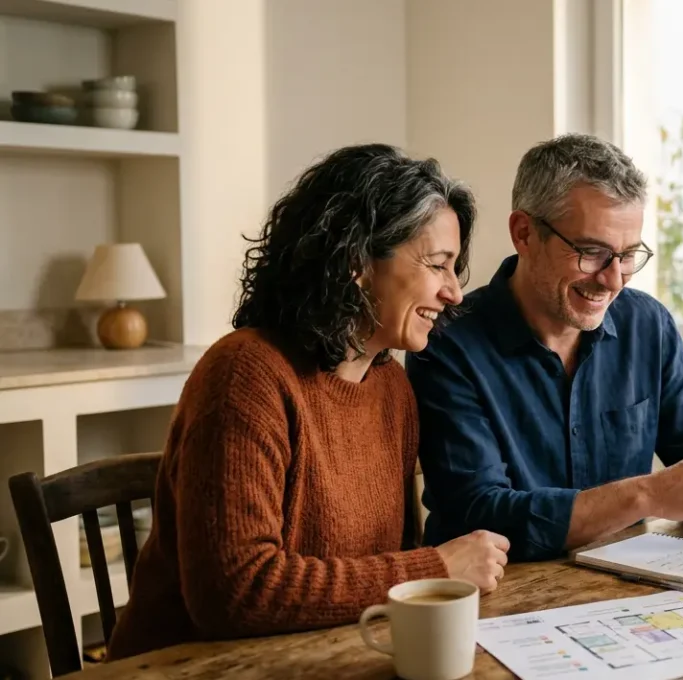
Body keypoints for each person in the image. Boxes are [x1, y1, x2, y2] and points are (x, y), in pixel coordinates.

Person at [108, 144, 510, 660]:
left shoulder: (392, 389)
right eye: (438, 265)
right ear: (355, 262)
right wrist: (435, 569)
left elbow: (380, 569)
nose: (454, 292)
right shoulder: (244, 374)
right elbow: (234, 593)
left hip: (322, 656)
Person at [407, 133, 683, 562]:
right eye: (591, 252)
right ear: (524, 233)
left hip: (631, 580)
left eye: (628, 255)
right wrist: (645, 494)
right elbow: (480, 515)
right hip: (503, 589)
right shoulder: (447, 343)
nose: (613, 280)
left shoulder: (647, 325)